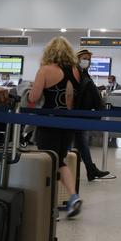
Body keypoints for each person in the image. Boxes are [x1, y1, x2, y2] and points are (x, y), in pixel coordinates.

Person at [28, 37, 82, 219]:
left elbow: (33, 97)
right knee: (60, 161)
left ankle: (51, 207)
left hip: (49, 121)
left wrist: (29, 91)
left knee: (48, 161)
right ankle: (73, 196)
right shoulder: (75, 71)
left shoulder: (45, 70)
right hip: (69, 122)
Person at [74, 49, 114, 182]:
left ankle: (90, 170)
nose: (87, 61)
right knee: (77, 142)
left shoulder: (83, 73)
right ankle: (88, 170)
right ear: (78, 58)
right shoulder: (76, 72)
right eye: (84, 58)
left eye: (89, 59)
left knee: (82, 142)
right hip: (76, 114)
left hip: (81, 114)